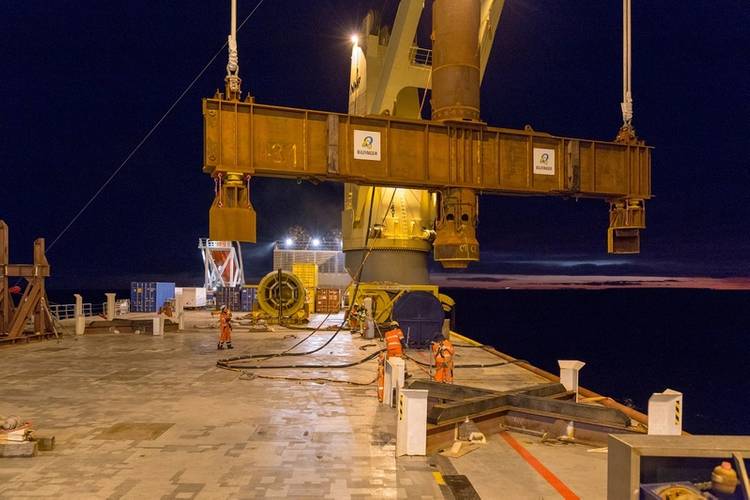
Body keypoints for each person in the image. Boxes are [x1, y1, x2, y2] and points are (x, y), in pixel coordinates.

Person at [377, 321, 406, 402]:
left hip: (390, 352)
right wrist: (405, 347)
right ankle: (404, 374)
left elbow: (387, 344)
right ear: (396, 326)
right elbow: (402, 341)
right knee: (401, 363)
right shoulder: (398, 331)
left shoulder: (387, 334)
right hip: (397, 351)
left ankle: (391, 378)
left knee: (391, 365)